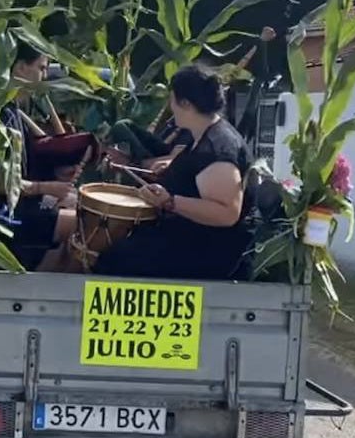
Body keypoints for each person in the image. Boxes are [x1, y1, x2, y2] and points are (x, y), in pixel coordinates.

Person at [93, 64, 253, 281]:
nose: (170, 106)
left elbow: (226, 213)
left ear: (185, 103)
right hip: (185, 238)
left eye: (172, 99)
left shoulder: (218, 149)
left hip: (203, 252)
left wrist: (170, 202)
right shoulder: (203, 136)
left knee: (111, 260)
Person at [0, 42, 79, 269]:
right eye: (41, 68)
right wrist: (46, 188)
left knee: (77, 206)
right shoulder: (1, 115)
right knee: (84, 225)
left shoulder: (13, 112)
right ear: (20, 68)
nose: (44, 75)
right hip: (1, 214)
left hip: (16, 205)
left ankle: (41, 277)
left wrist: (57, 174)